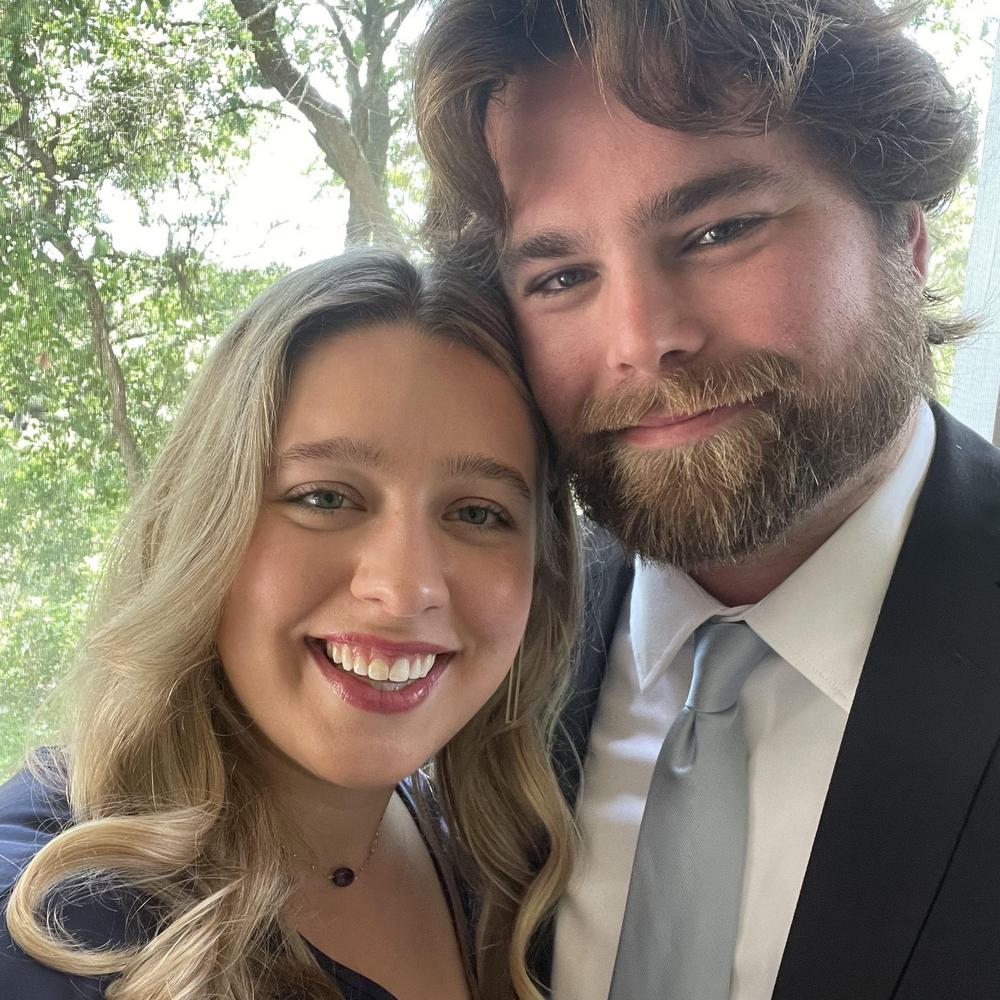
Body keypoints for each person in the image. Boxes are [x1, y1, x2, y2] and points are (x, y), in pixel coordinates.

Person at [413, 1, 1000, 998]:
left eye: (719, 231)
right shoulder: (469, 642)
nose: (643, 340)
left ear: (904, 238)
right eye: (561, 276)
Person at [0, 249, 581, 1000]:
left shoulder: (492, 860)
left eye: (477, 512)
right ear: (203, 524)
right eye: (324, 498)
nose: (404, 590)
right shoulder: (44, 922)